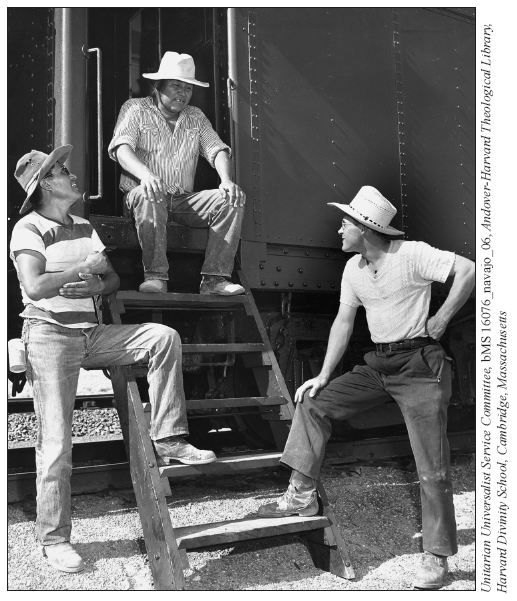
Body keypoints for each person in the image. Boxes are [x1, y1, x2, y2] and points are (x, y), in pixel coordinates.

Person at [10, 145, 217, 574]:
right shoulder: (27, 228)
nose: (72, 176)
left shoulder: (84, 225)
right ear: (46, 184)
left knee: (163, 337)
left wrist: (97, 287)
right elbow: (33, 287)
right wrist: (77, 272)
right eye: (63, 172)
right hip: (49, 336)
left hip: (92, 333)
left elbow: (112, 278)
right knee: (56, 442)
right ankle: (55, 540)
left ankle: (169, 439)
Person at [257, 186, 475, 590]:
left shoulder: (411, 254)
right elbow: (343, 322)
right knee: (313, 401)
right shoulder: (354, 269)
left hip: (420, 366)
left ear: (366, 228)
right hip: (379, 364)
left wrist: (442, 319)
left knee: (432, 468)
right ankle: (302, 496)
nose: (339, 229)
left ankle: (437, 556)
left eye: (346, 223)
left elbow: (468, 269)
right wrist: (323, 374)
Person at [108, 51, 246, 295]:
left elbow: (218, 150)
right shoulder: (135, 108)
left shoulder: (196, 117)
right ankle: (156, 277)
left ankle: (214, 280)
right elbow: (121, 149)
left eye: (188, 88)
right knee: (148, 192)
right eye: (175, 86)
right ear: (157, 86)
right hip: (144, 196)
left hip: (182, 200)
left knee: (232, 198)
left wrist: (226, 181)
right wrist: (146, 175)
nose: (182, 93)